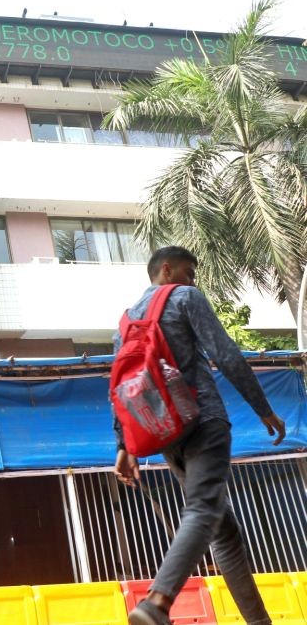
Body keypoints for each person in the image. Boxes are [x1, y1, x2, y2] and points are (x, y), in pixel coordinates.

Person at [114, 246, 286, 625]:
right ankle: (156, 602)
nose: (193, 281)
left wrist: (124, 446)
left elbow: (122, 384)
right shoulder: (185, 297)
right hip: (204, 419)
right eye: (189, 272)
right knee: (204, 510)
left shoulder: (126, 320)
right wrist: (263, 409)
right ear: (167, 269)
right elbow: (225, 354)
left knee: (222, 531)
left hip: (166, 436)